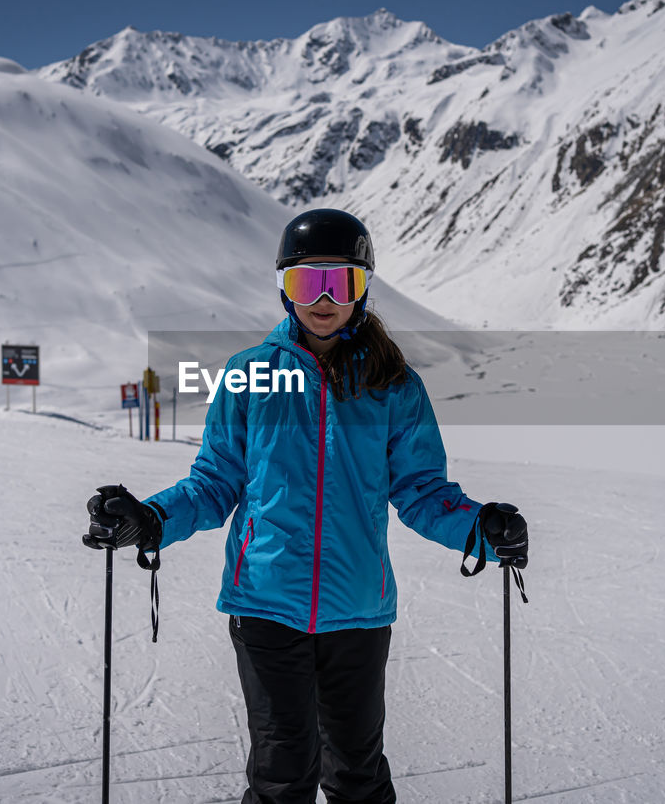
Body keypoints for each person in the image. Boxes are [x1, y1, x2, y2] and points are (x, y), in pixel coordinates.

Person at [82, 208, 529, 804]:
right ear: (284, 288)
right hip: (265, 604)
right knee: (281, 773)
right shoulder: (247, 376)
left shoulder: (393, 385)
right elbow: (214, 481)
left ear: (362, 288)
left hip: (357, 612)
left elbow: (421, 490)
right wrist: (151, 519)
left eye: (340, 282)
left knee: (356, 774)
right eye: (305, 281)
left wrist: (480, 526)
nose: (323, 298)